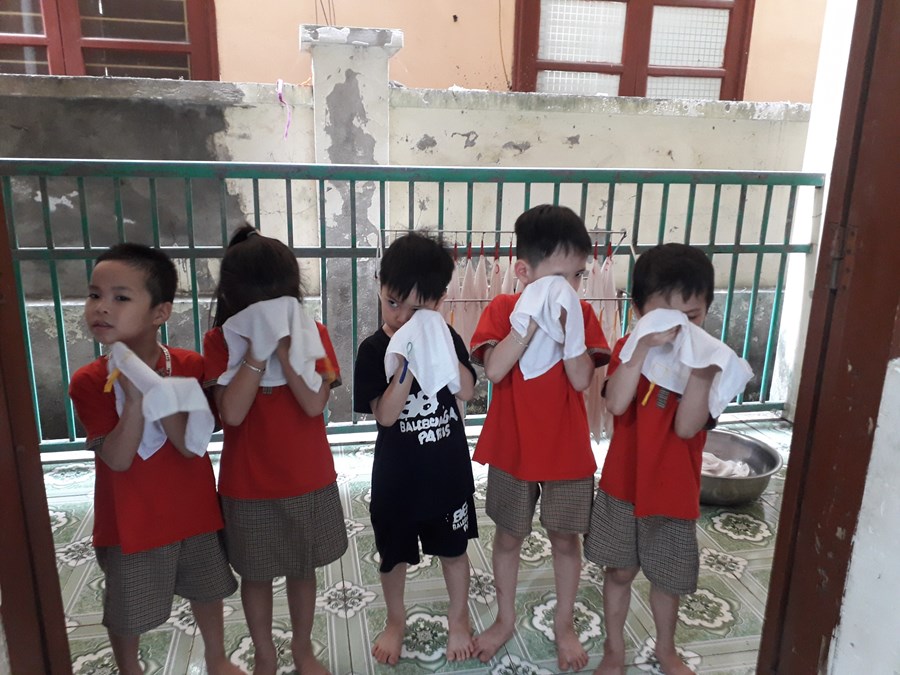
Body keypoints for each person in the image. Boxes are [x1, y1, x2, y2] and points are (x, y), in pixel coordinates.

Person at [69, 243, 241, 675]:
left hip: (194, 512)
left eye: (120, 297)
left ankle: (217, 658)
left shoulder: (189, 365)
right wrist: (135, 399)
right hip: (131, 521)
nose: (101, 307)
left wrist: (160, 389)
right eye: (94, 295)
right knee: (128, 612)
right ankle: (130, 669)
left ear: (160, 313)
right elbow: (117, 459)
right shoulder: (90, 382)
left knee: (207, 591)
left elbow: (189, 444)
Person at [469, 204, 610, 671]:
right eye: (558, 278)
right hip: (512, 446)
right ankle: (505, 618)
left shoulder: (581, 314)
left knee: (566, 539)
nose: (569, 287)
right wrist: (526, 326)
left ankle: (564, 624)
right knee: (509, 536)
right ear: (524, 272)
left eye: (577, 276)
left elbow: (581, 379)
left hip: (566, 449)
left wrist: (569, 329)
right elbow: (494, 369)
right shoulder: (503, 309)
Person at [203, 226, 347, 675]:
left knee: (303, 569)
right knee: (257, 574)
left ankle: (303, 650)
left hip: (308, 478)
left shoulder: (315, 334)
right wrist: (256, 354)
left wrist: (286, 352)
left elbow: (314, 404)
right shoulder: (220, 342)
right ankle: (265, 653)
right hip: (248, 485)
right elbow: (232, 413)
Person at [585, 243, 719, 675]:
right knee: (619, 572)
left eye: (692, 317)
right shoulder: (629, 346)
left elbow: (687, 427)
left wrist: (702, 374)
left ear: (706, 311)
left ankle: (665, 649)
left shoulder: (709, 361)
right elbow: (617, 404)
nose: (678, 329)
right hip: (622, 485)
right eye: (665, 318)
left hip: (674, 492)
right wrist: (641, 349)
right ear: (639, 310)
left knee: (667, 580)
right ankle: (614, 649)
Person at [353, 232, 479, 665]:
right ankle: (395, 620)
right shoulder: (373, 351)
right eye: (393, 303)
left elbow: (466, 390)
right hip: (398, 481)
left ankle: (459, 619)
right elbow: (387, 415)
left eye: (417, 310)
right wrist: (405, 359)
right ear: (380, 287)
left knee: (454, 553)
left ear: (438, 302)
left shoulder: (447, 339)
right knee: (393, 560)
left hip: (447, 475)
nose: (402, 317)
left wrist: (436, 340)